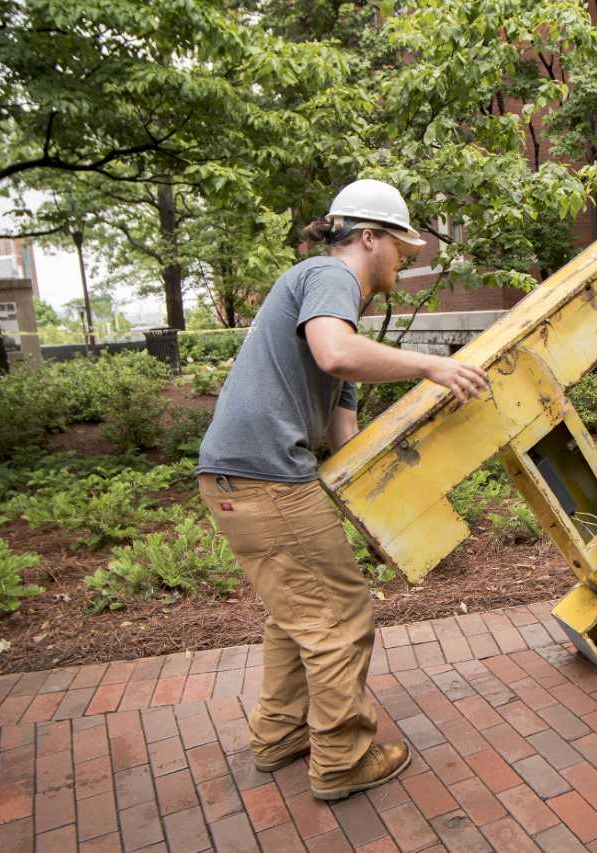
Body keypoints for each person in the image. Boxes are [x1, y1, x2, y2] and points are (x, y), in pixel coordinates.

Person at [195, 179, 489, 801]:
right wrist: (435, 366)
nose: (403, 259)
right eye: (399, 248)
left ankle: (280, 735)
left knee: (295, 613)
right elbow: (336, 354)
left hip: (241, 475)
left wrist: (386, 511)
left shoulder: (334, 317)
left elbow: (343, 438)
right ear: (368, 237)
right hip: (263, 476)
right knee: (340, 613)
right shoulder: (329, 277)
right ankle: (343, 758)